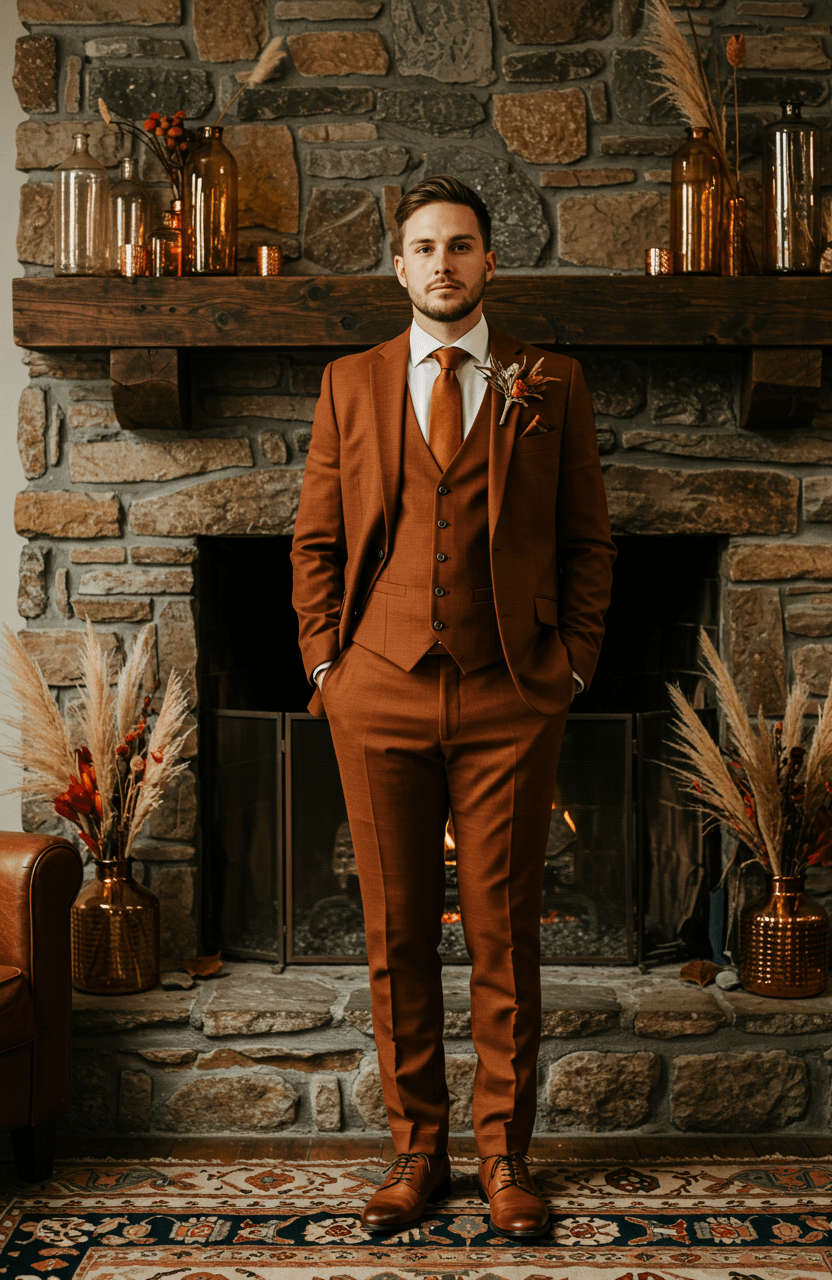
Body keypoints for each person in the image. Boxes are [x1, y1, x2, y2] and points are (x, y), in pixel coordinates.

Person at [291, 175, 615, 1238]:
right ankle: (414, 1148)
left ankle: (504, 1155)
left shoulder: (548, 382)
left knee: (500, 929)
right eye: (423, 246)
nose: (442, 263)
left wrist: (568, 665)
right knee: (394, 932)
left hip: (511, 692)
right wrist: (325, 668)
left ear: (488, 262)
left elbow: (585, 541)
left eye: (460, 245)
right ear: (398, 264)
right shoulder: (350, 381)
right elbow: (318, 541)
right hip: (375, 688)